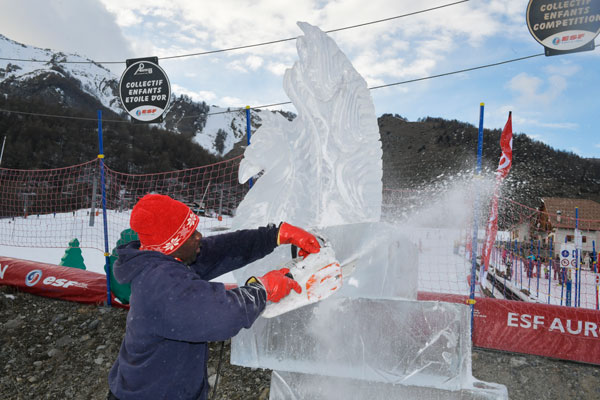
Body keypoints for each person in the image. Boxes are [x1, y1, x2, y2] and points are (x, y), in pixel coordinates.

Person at [107, 194, 321, 400]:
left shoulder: (165, 258)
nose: (199, 236)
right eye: (190, 234)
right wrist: (263, 289)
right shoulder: (160, 282)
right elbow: (220, 315)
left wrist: (275, 235)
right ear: (173, 244)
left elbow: (222, 250)